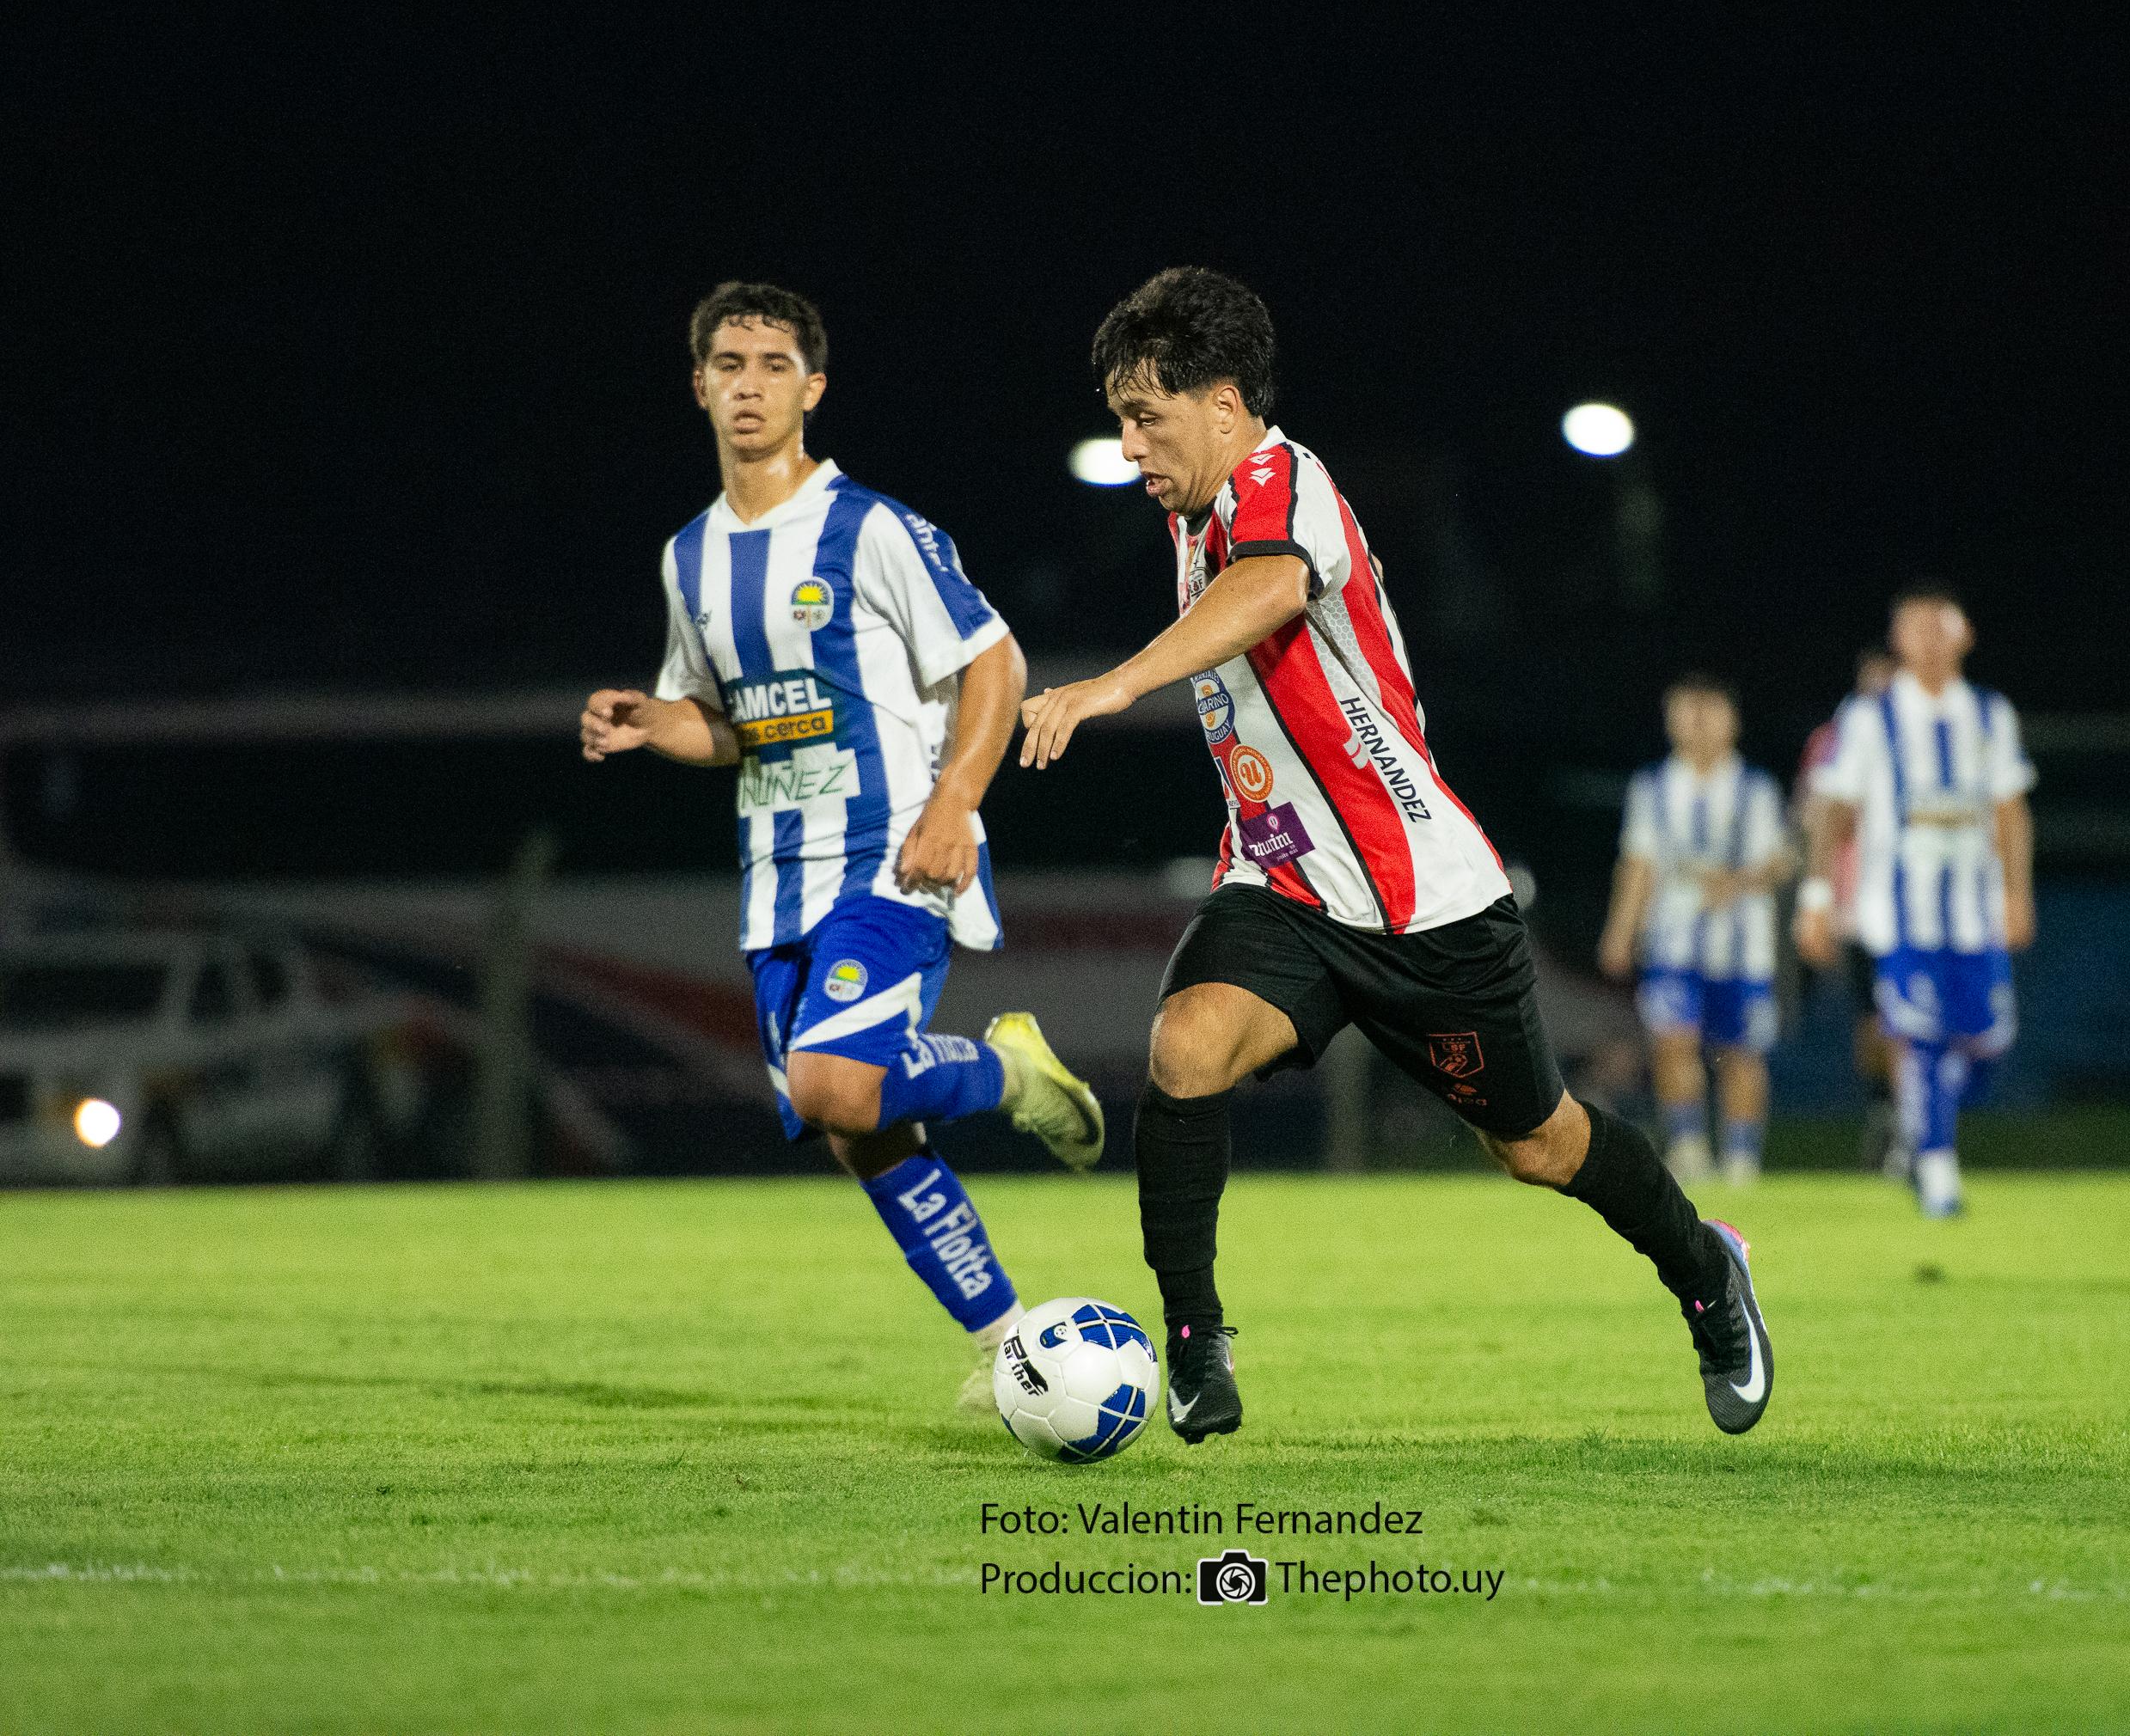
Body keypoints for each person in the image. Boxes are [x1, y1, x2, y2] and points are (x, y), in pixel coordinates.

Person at [1017, 266, 1772, 1442]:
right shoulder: (1191, 511)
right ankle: (1194, 1344)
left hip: (1426, 904)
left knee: (1538, 1144)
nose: (1126, 444)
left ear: (1223, 404)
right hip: (1283, 886)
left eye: (1144, 416)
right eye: (1120, 418)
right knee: (1186, 1045)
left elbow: (1269, 590)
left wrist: (1112, 685)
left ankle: (1707, 1273)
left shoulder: (1287, 481)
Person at [579, 281, 1105, 1415]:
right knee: (851, 1125)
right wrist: (650, 721)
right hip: (778, 883)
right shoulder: (691, 559)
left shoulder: (872, 528)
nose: (751, 383)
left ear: (812, 388)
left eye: (775, 364)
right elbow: (724, 719)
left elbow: (995, 663)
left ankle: (1009, 1072)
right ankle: (1009, 1343)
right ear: (700, 386)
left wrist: (954, 801)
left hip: (894, 851)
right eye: (730, 363)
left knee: (836, 1080)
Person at [1798, 587, 2035, 1219]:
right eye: (1915, 629)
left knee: (1989, 1040)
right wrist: (1818, 897)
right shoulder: (1869, 717)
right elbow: (1834, 811)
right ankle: (1934, 1167)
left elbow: (2011, 811)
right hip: (1897, 916)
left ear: (1964, 635)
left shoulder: (1990, 715)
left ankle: (1923, 1124)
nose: (1928, 641)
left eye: (1940, 627)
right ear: (1899, 640)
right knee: (1918, 1037)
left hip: (1975, 912)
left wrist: (2017, 892)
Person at [1597, 675, 1794, 1187]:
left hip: (1743, 947)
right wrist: (1621, 929)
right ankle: (1688, 1147)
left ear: (1732, 720)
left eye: (1710, 711)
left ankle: (1742, 1157)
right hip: (1672, 940)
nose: (1699, 723)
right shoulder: (1653, 786)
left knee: (1741, 1052)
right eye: (1687, 711)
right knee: (1673, 1042)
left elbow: (1780, 861)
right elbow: (1637, 863)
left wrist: (1737, 881)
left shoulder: (1756, 788)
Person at [1798, 648, 1901, 1172]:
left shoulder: (1922, 731)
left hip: (1917, 901)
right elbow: (1813, 813)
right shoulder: (1834, 740)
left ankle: (1915, 1123)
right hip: (1859, 903)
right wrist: (1818, 897)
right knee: (1874, 1018)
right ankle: (1888, 1111)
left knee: (1914, 1017)